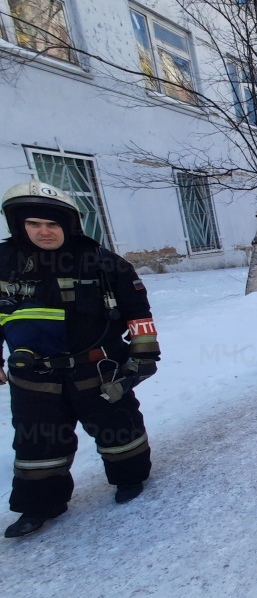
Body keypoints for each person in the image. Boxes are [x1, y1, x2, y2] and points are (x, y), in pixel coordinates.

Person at [0, 180, 161, 538]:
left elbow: (139, 313)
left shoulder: (104, 264)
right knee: (37, 441)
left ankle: (129, 478)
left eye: (53, 224)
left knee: (119, 428)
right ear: (18, 225)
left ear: (69, 225)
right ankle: (39, 504)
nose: (44, 232)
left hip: (99, 368)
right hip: (34, 376)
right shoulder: (3, 266)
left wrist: (144, 354)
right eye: (34, 224)